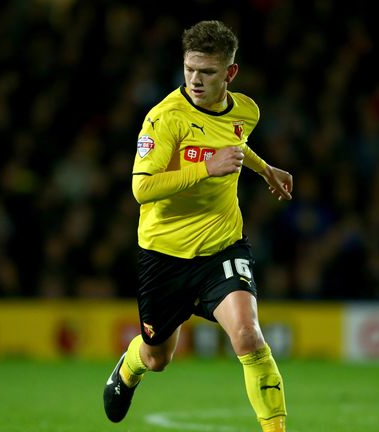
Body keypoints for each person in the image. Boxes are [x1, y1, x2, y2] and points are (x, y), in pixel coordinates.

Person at [103, 20, 293, 432]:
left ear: (230, 73)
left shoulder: (247, 110)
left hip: (222, 247)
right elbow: (142, 188)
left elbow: (233, 141)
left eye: (207, 72)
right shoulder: (164, 119)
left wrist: (264, 170)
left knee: (247, 335)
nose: (195, 80)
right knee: (159, 358)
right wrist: (206, 167)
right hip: (165, 254)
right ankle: (129, 366)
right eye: (189, 69)